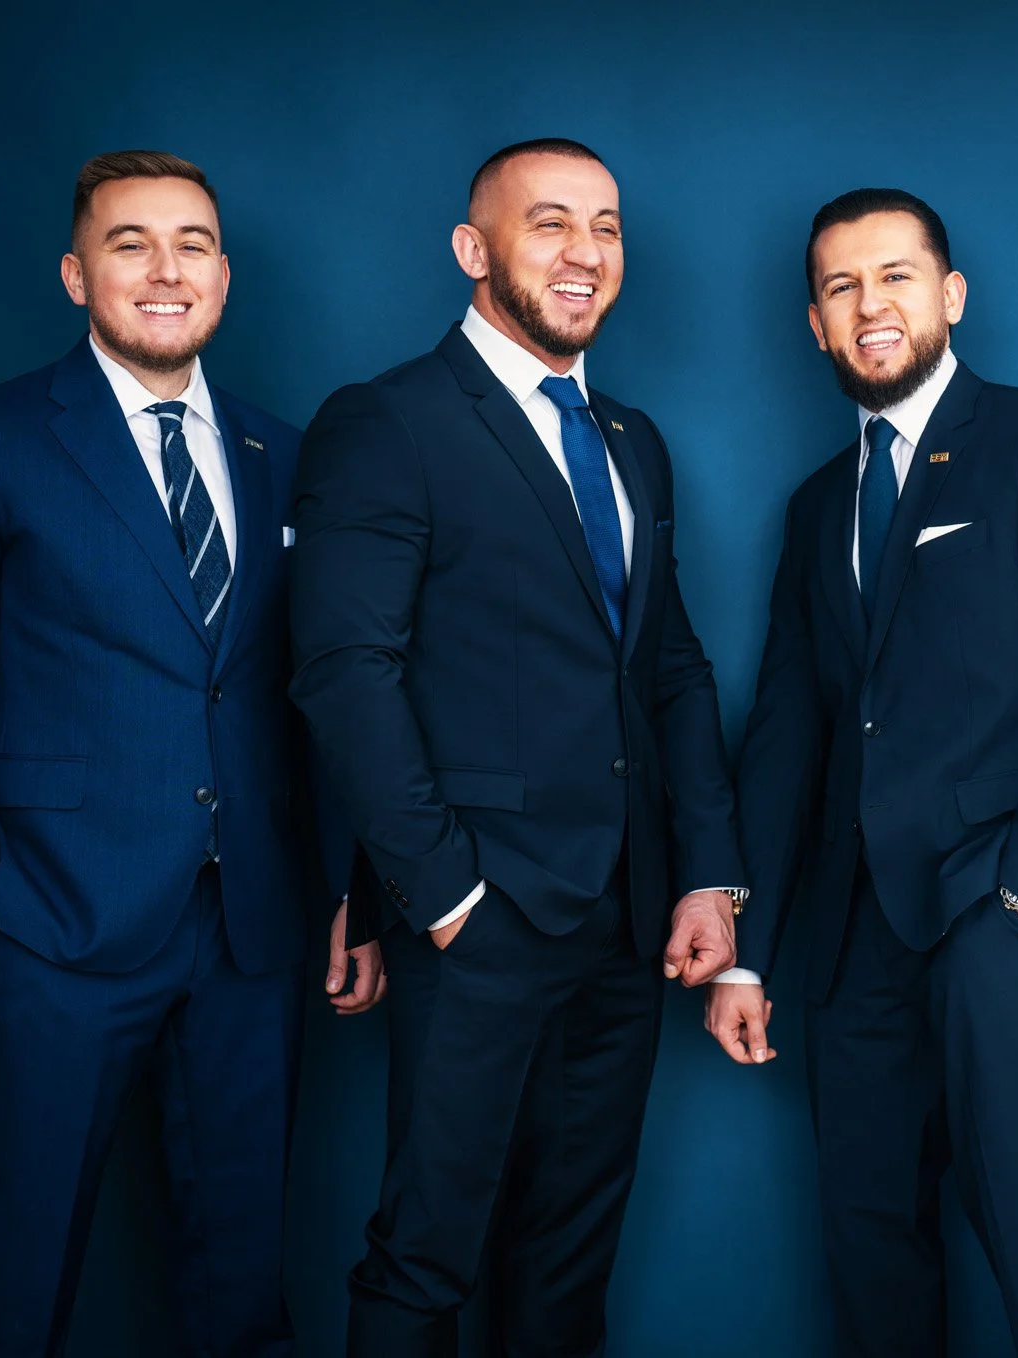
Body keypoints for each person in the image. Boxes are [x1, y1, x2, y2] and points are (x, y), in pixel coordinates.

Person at [0, 149, 378, 1358]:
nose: (166, 271)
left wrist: (344, 887)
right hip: (52, 922)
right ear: (75, 272)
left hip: (252, 925)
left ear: (222, 273)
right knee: (16, 1273)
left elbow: (314, 687)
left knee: (242, 1274)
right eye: (130, 243)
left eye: (193, 244)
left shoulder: (282, 451)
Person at [289, 137, 747, 1357]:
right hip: (475, 916)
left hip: (626, 922)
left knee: (566, 1260)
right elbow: (345, 671)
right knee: (425, 1254)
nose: (583, 251)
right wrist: (435, 895)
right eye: (548, 223)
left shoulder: (631, 440)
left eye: (602, 226)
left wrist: (706, 870)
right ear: (472, 248)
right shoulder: (387, 421)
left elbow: (670, 669)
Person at [709, 188, 1018, 1357]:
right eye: (840, 285)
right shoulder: (818, 505)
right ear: (813, 321)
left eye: (895, 276)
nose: (871, 305)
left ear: (949, 296)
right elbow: (788, 731)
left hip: (998, 907)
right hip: (850, 932)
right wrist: (751, 942)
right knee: (867, 1238)